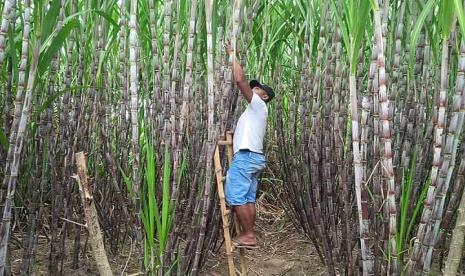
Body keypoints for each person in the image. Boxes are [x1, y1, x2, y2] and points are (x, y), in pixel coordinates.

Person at [224, 46, 275, 249]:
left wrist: (232, 54)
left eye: (259, 88)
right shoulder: (252, 112)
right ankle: (249, 234)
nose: (255, 88)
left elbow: (240, 81)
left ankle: (248, 235)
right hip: (253, 157)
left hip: (246, 158)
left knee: (236, 197)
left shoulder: (258, 106)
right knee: (248, 198)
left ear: (264, 96)